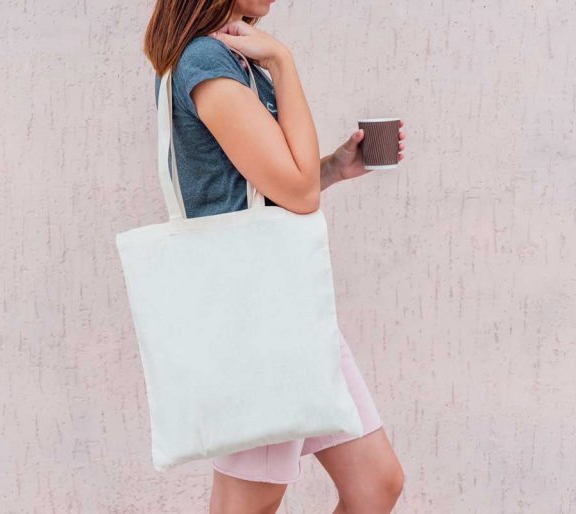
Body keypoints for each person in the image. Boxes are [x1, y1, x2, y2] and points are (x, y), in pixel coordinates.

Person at [143, 1, 407, 512]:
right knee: (247, 505)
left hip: (286, 308)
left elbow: (276, 186)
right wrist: (283, 64)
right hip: (253, 316)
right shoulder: (206, 63)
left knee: (375, 483)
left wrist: (330, 167)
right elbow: (299, 194)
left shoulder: (234, 60)